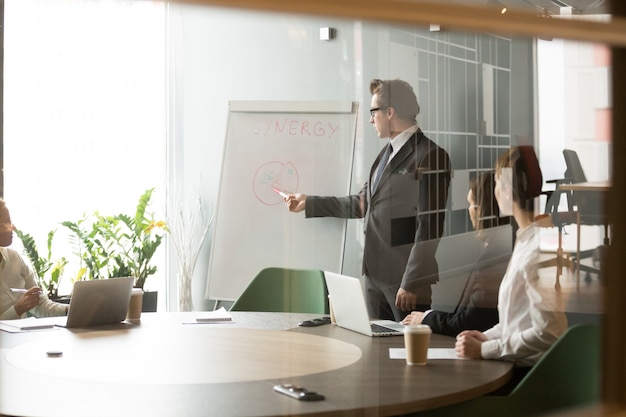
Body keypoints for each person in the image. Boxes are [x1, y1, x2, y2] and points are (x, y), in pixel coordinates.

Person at [285, 78, 451, 321]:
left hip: (405, 282)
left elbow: (430, 226)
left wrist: (411, 282)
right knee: (378, 351)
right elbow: (363, 203)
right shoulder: (385, 154)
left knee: (407, 353)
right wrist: (309, 202)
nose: (371, 120)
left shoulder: (431, 155)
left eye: (374, 112)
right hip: (374, 275)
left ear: (390, 112)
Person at [455, 146, 568, 388]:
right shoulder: (525, 238)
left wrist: (486, 349)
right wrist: (486, 337)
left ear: (506, 189)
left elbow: (547, 333)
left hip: (529, 377)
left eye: (496, 183)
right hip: (513, 365)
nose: (494, 192)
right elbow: (516, 322)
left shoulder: (538, 248)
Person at [402, 172, 509, 337]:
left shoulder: (493, 259)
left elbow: (469, 324)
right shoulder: (501, 249)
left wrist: (425, 318)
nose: (469, 211)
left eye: (470, 204)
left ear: (482, 209)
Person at [0, 198, 68, 320]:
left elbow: (40, 305)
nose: (13, 227)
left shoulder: (14, 258)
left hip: (23, 337)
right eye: (7, 222)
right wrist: (18, 309)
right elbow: (21, 307)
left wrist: (69, 309)